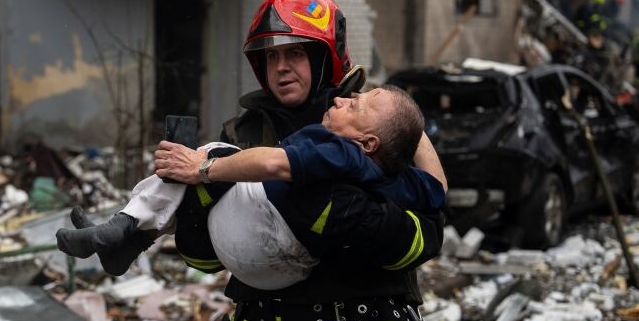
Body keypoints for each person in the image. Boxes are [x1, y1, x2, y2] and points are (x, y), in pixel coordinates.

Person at [57, 0, 446, 321]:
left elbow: (428, 232)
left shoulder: (378, 127)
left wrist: (352, 222)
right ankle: (129, 230)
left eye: (295, 52)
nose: (281, 67)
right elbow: (206, 258)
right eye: (271, 56)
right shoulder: (240, 135)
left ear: (324, 57)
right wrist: (200, 204)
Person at [59, 85, 445, 290]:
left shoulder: (339, 152)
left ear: (367, 143)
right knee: (206, 170)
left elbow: (273, 162)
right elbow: (436, 188)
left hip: (258, 238)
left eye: (355, 106)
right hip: (285, 272)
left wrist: (205, 168)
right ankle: (131, 239)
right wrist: (410, 127)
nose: (342, 98)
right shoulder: (392, 177)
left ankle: (127, 225)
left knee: (212, 151)